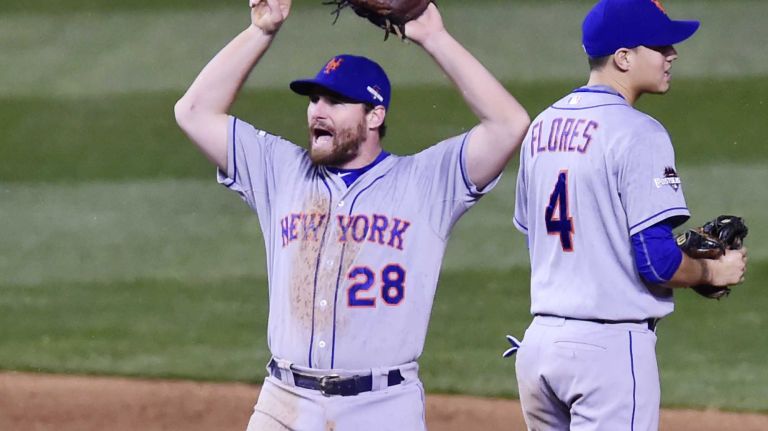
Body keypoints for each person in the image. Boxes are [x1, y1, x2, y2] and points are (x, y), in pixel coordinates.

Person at [174, 1, 530, 429]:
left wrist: (434, 37)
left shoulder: (425, 183)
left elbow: (510, 124)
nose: (317, 110)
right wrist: (262, 31)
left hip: (381, 409)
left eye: (337, 101)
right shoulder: (281, 170)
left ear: (375, 116)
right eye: (315, 98)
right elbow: (193, 112)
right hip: (285, 402)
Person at [510, 0, 748, 429]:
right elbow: (656, 262)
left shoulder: (541, 126)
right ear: (624, 57)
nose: (672, 54)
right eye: (660, 46)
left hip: (539, 348)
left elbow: (543, 238)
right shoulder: (639, 132)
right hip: (607, 356)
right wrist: (713, 273)